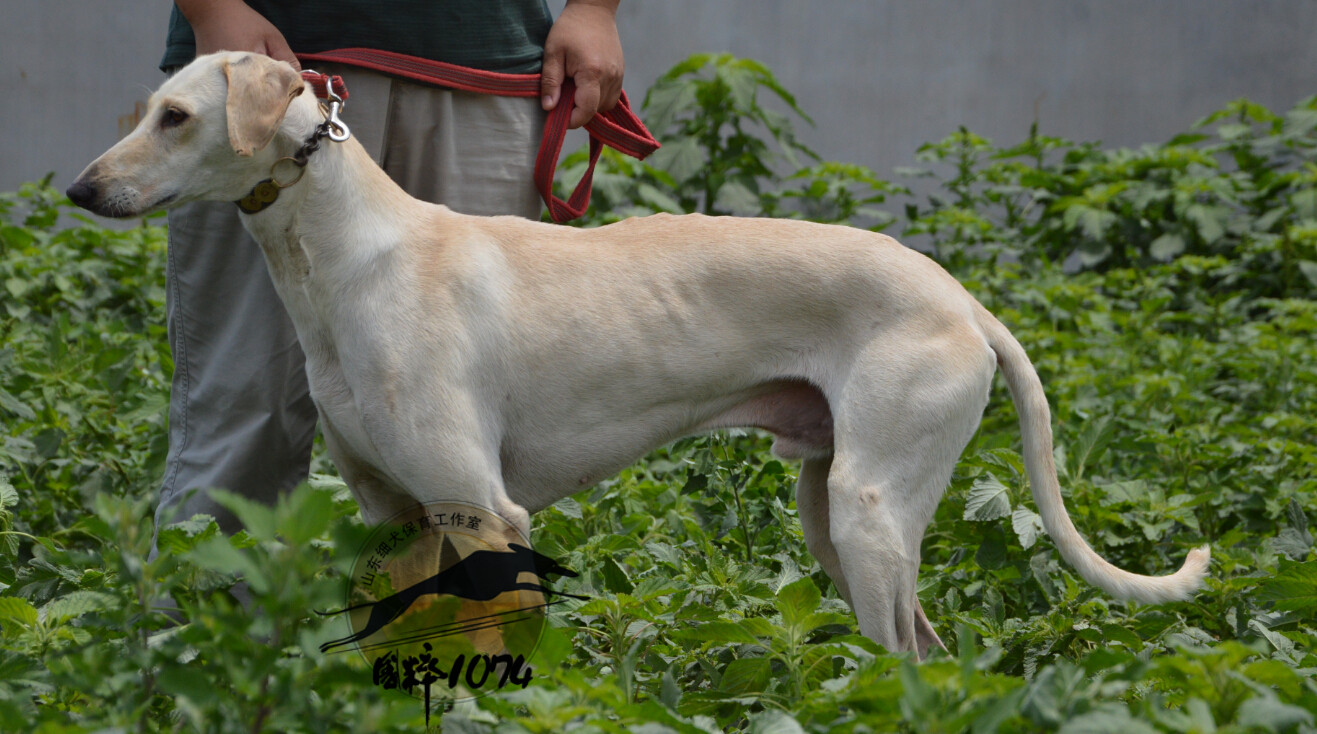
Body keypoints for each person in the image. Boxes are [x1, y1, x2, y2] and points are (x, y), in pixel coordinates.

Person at [151, 0, 625, 551]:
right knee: (245, 406)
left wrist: (594, 7)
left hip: (482, 63)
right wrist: (213, 8)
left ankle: (449, 635)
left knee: (456, 441)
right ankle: (206, 631)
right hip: (269, 61)